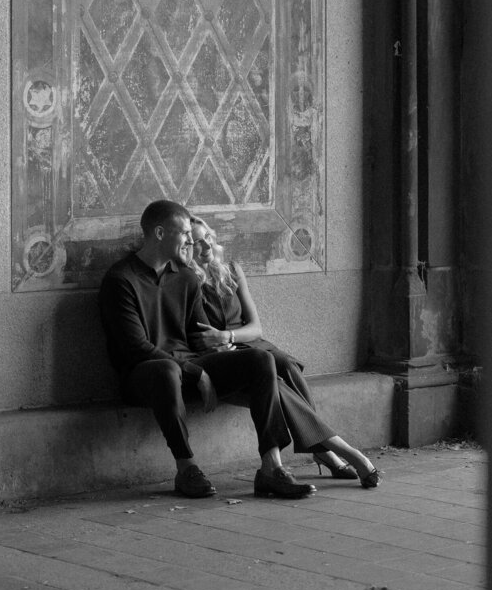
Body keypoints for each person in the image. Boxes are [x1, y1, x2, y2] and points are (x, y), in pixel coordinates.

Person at [98, 198, 315, 500]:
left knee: (260, 359)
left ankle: (271, 468)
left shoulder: (186, 278)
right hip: (146, 377)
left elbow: (199, 336)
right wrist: (196, 373)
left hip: (190, 368)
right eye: (184, 233)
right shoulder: (121, 280)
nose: (190, 241)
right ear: (159, 234)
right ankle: (186, 468)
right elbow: (136, 348)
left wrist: (223, 358)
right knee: (166, 369)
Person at [183, 214, 381, 488]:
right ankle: (334, 451)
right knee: (275, 382)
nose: (206, 246)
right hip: (227, 357)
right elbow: (197, 337)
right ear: (185, 247)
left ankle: (322, 449)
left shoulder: (231, 270)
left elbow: (255, 327)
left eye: (208, 238)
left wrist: (228, 335)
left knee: (286, 364)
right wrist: (219, 344)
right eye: (196, 242)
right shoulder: (186, 281)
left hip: (248, 342)